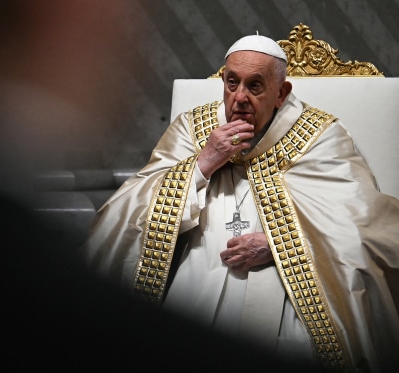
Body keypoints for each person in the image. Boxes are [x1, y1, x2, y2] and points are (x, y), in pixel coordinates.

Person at [80, 34, 399, 372]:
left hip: (289, 292)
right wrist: (205, 161)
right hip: (197, 277)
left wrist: (280, 245)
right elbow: (126, 211)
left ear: (281, 93)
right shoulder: (193, 128)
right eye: (232, 83)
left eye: (255, 86)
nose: (240, 97)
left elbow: (365, 228)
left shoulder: (320, 136)